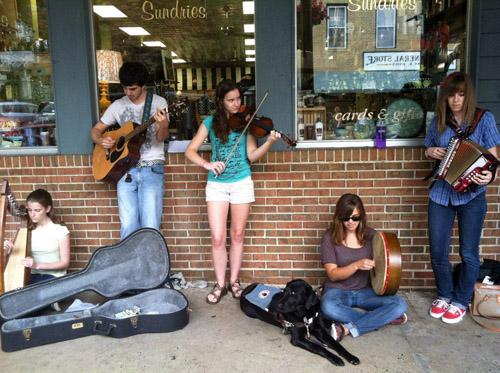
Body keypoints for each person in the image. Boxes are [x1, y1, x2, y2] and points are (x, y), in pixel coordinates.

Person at [185, 79, 280, 304]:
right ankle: (220, 284)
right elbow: (190, 150)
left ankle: (235, 281)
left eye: (238, 98)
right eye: (231, 100)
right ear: (221, 102)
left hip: (241, 183)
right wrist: (207, 165)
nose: (236, 104)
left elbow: (252, 155)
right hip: (217, 185)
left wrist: (269, 142)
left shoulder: (246, 123)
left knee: (237, 235)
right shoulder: (209, 122)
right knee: (218, 238)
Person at [424, 72, 500, 324]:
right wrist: (431, 151)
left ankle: (460, 299)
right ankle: (444, 294)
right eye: (451, 94)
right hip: (441, 193)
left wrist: (488, 177)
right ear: (444, 96)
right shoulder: (438, 122)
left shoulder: (483, 119)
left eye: (461, 94)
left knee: (468, 252)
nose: (455, 99)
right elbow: (428, 149)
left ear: (467, 95)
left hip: (472, 195)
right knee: (438, 250)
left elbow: (493, 159)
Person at [91, 62, 169, 239]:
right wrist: (101, 139)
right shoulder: (118, 105)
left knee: (151, 226)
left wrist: (163, 124)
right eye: (125, 88)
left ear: (143, 85)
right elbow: (95, 130)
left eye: (133, 89)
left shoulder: (158, 103)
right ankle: (130, 265)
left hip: (152, 167)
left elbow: (161, 137)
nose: (128, 93)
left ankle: (149, 266)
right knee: (128, 225)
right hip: (125, 170)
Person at [320, 193, 408, 338]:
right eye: (345, 218)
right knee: (327, 307)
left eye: (355, 217)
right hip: (338, 291)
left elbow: (386, 264)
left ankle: (348, 328)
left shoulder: (372, 236)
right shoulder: (329, 237)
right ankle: (379, 319)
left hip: (366, 293)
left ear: (361, 216)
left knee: (400, 304)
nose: (350, 222)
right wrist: (356, 265)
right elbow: (333, 274)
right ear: (338, 218)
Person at [3, 189, 70, 285]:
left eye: (37, 210)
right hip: (32, 277)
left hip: (54, 278)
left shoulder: (60, 230)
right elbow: (21, 259)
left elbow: (65, 263)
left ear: (48, 209)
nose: (32, 214)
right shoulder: (27, 231)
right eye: (29, 210)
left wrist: (37, 265)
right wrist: (10, 251)